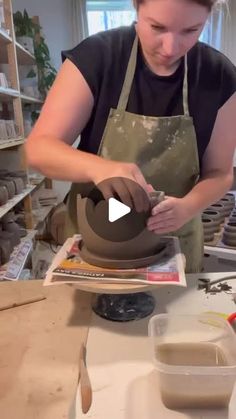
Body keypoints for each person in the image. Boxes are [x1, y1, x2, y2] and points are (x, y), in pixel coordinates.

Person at [25, 0, 236, 272]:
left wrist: (188, 206)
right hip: (98, 239)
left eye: (191, 30)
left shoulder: (219, 76)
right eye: (157, 27)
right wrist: (100, 168)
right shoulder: (98, 57)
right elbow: (38, 149)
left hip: (174, 237)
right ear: (136, 7)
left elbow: (220, 173)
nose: (171, 48)